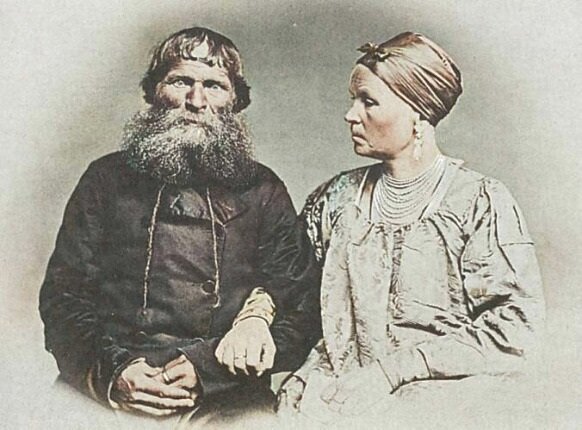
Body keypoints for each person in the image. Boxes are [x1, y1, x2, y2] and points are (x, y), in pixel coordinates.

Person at [39, 26, 320, 424]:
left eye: (214, 86)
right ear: (154, 92)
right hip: (114, 384)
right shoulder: (105, 179)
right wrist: (114, 374)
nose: (196, 101)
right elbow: (63, 298)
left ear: (235, 100)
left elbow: (303, 310)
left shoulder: (263, 189)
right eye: (181, 82)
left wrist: (208, 368)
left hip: (225, 393)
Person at [276, 32, 545, 425]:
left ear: (417, 113)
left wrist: (395, 371)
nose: (351, 115)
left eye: (368, 101)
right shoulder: (335, 200)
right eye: (353, 100)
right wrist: (307, 371)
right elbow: (303, 308)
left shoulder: (478, 201)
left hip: (449, 397)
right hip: (345, 388)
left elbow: (515, 328)